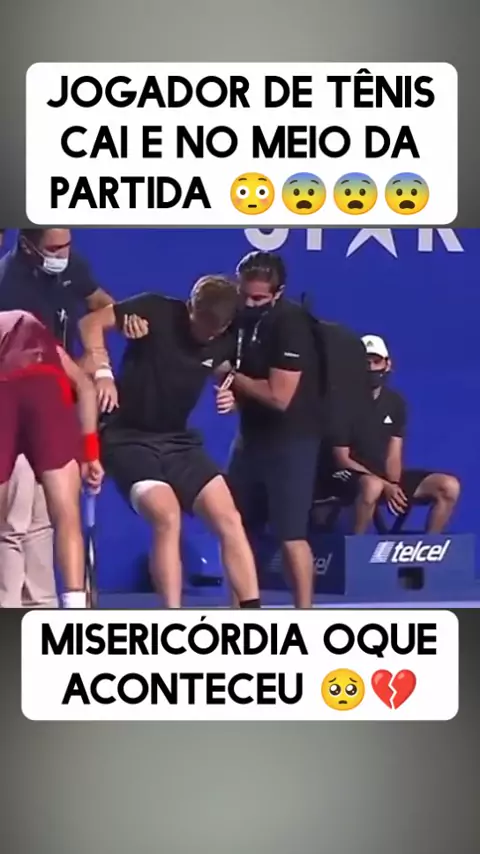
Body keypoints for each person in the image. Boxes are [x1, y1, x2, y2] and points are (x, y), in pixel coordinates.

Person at [78, 275, 261, 609]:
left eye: (216, 330)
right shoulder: (155, 310)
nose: (208, 335)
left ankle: (252, 614)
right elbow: (90, 323)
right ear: (191, 307)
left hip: (178, 442)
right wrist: (103, 372)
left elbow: (223, 369)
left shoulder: (226, 337)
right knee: (167, 516)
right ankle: (172, 617)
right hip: (127, 439)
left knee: (229, 518)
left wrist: (231, 394)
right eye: (202, 325)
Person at [0, 228, 143, 608]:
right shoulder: (9, 289)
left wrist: (117, 330)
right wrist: (89, 451)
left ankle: (46, 607)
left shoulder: (68, 267)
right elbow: (73, 377)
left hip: (52, 397)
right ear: (26, 245)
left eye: (66, 245)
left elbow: (101, 307)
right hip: (25, 399)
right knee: (15, 523)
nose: (62, 254)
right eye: (53, 248)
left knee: (42, 522)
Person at [215, 251, 323, 608]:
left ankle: (304, 614)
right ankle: (239, 615)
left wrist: (233, 378)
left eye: (259, 299)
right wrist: (231, 393)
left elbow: (278, 396)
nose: (249, 303)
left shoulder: (291, 324)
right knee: (236, 528)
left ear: (278, 293)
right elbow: (227, 368)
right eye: (244, 294)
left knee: (290, 534)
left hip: (291, 442)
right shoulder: (239, 317)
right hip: (249, 439)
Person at [0, 310, 104, 607]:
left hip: (5, 390)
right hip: (48, 390)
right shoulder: (37, 333)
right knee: (67, 514)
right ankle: (74, 612)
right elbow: (85, 387)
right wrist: (91, 454)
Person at [316, 334, 461, 533]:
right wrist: (384, 485)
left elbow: (394, 453)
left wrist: (393, 484)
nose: (371, 368)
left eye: (376, 361)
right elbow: (342, 458)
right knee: (373, 486)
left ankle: (429, 546)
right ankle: (356, 548)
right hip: (345, 477)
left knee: (448, 486)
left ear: (387, 364)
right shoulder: (341, 403)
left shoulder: (395, 402)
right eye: (365, 363)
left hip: (382, 478)